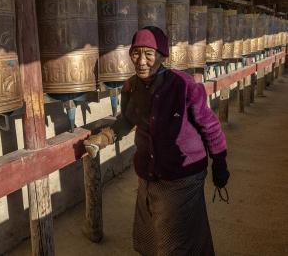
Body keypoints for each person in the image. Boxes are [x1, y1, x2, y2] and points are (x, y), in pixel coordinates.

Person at [84, 26, 230, 256]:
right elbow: (127, 119)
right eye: (136, 53)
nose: (141, 61)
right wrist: (106, 136)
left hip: (182, 176)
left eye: (149, 54)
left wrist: (220, 161)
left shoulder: (184, 86)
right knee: (149, 236)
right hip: (149, 175)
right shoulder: (131, 86)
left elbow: (210, 125)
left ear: (162, 56)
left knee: (175, 241)